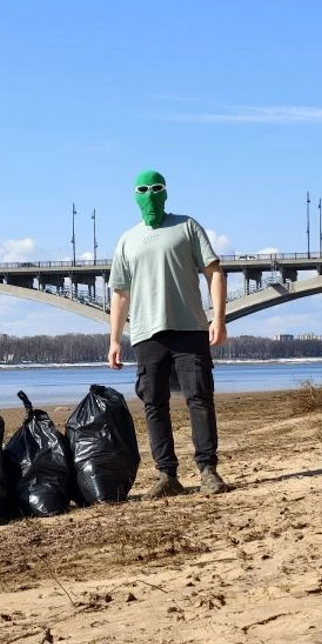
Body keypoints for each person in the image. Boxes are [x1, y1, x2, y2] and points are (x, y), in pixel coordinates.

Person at [107, 169, 229, 497]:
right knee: (153, 403)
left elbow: (214, 272)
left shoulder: (187, 226)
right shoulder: (127, 240)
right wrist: (115, 339)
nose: (150, 194)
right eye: (143, 189)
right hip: (146, 333)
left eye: (156, 188)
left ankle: (207, 470)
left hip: (190, 327)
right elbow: (119, 293)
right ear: (134, 195)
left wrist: (219, 318)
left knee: (200, 399)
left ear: (166, 191)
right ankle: (166, 475)